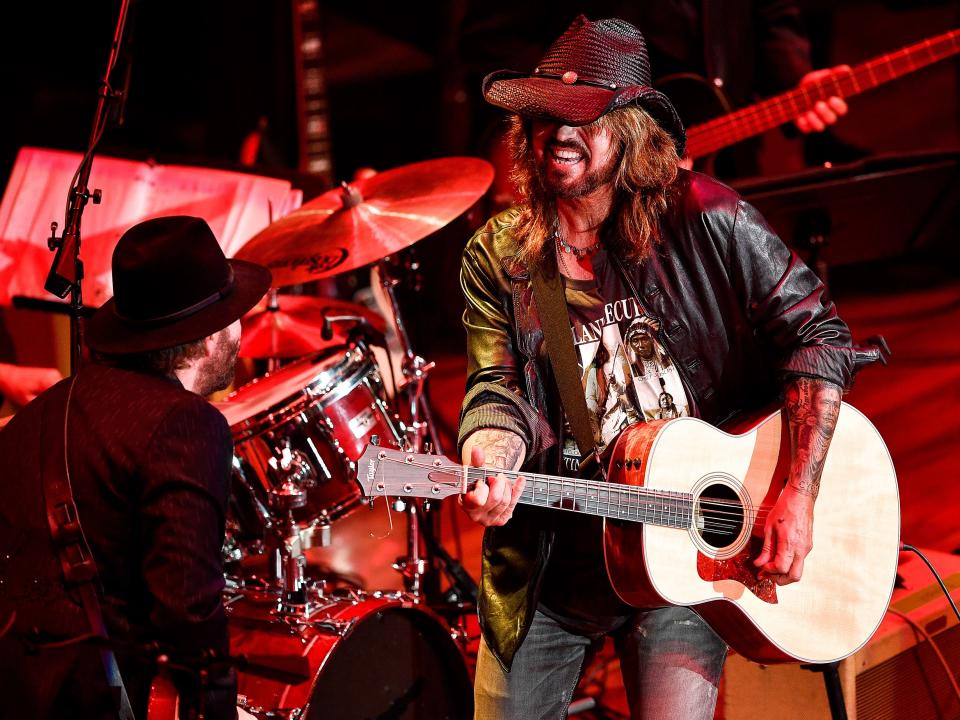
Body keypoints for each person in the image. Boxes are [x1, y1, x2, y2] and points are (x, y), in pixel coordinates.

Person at [457, 17, 878, 719]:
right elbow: (495, 387)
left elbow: (820, 335)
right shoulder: (499, 254)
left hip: (685, 552)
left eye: (583, 117)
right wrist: (489, 453)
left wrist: (795, 496)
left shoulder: (705, 215)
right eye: (543, 117)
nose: (558, 134)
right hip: (554, 567)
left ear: (632, 128)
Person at [0, 216, 271, 719]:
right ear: (207, 338)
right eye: (234, 316)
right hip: (86, 697)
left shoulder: (44, 409)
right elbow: (188, 615)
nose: (241, 329)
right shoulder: (187, 424)